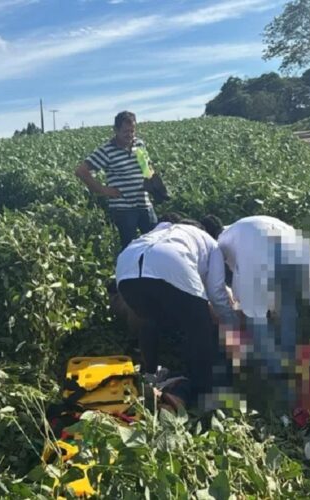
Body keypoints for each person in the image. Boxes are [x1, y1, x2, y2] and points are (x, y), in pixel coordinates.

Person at [115, 220, 236, 407]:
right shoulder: (211, 245)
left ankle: (151, 375)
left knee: (149, 319)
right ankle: (197, 394)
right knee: (200, 330)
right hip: (171, 263)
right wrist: (230, 326)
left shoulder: (163, 229)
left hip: (126, 269)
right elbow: (217, 293)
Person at [216, 215, 310, 411]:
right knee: (287, 313)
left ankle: (282, 383)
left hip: (262, 260)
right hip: (298, 255)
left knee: (256, 322)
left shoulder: (222, 241)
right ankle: (294, 367)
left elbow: (239, 279)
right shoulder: (246, 225)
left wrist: (241, 308)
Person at [75, 111, 157, 250]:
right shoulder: (106, 150)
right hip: (123, 208)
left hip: (144, 202)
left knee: (156, 242)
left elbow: (146, 167)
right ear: (116, 130)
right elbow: (81, 171)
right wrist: (103, 190)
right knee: (129, 248)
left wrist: (153, 181)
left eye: (132, 131)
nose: (130, 135)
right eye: (126, 131)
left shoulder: (139, 144)